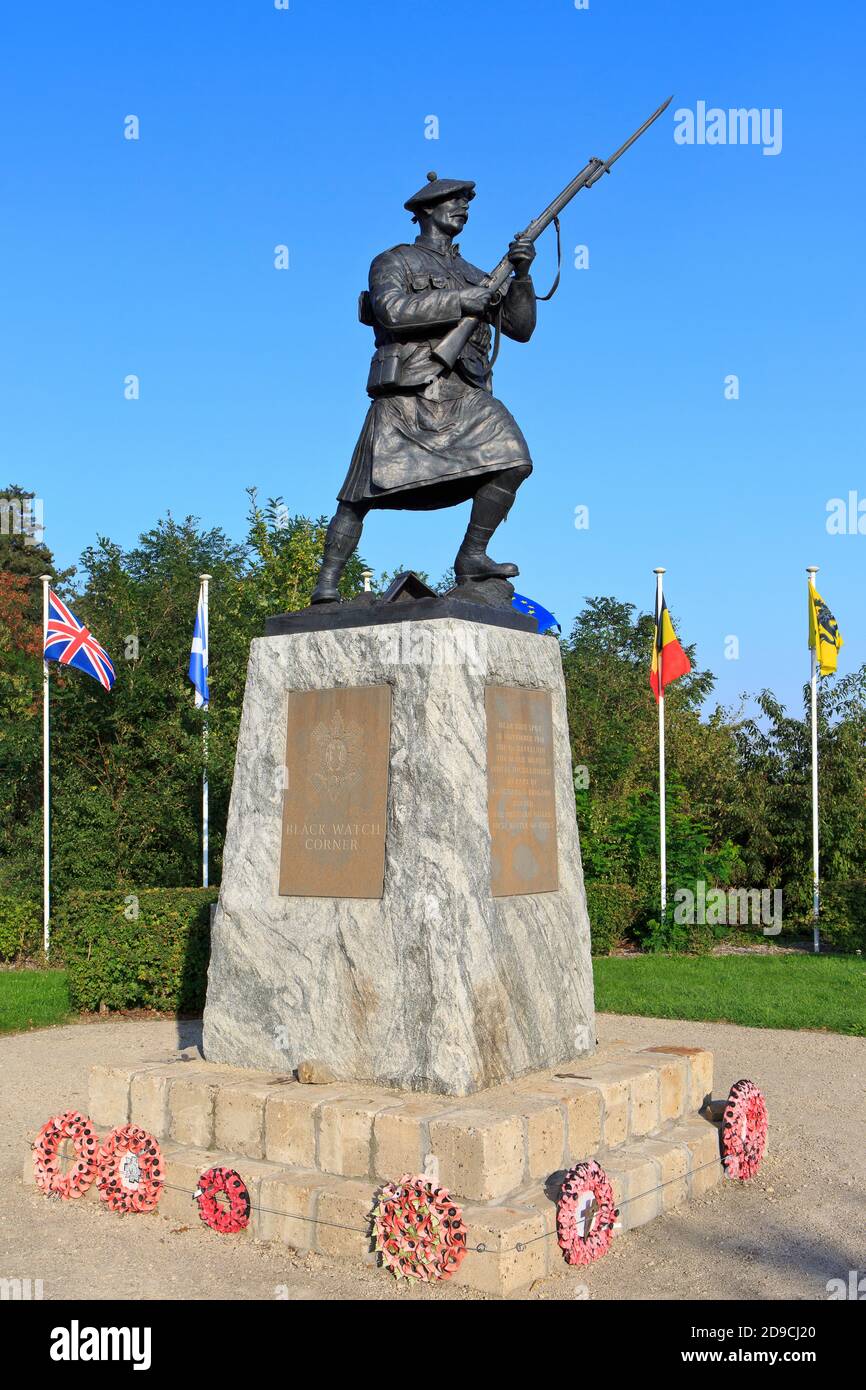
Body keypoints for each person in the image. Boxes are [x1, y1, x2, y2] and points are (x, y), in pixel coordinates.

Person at [311, 172, 538, 603]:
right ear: (424, 211)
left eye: (466, 203)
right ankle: (327, 585)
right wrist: (460, 303)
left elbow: (520, 327)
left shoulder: (477, 274)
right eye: (453, 201)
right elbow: (391, 311)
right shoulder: (394, 260)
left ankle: (472, 556)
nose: (462, 208)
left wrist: (522, 276)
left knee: (514, 458)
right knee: (359, 496)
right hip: (407, 391)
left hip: (463, 393)